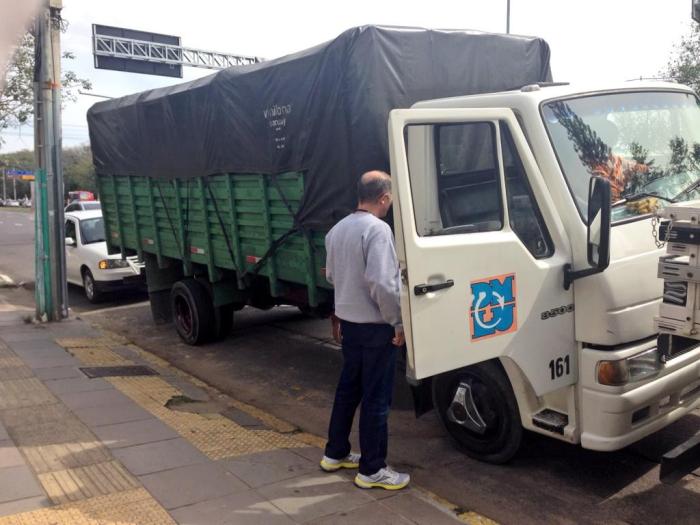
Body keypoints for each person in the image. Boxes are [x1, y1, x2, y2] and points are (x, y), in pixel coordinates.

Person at [319, 170, 410, 491]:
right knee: (376, 398)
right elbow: (384, 285)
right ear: (383, 198)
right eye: (390, 199)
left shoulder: (337, 230)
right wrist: (397, 323)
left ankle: (335, 453)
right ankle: (372, 469)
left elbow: (331, 275)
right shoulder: (378, 230)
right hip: (375, 329)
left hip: (350, 326)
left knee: (349, 390)